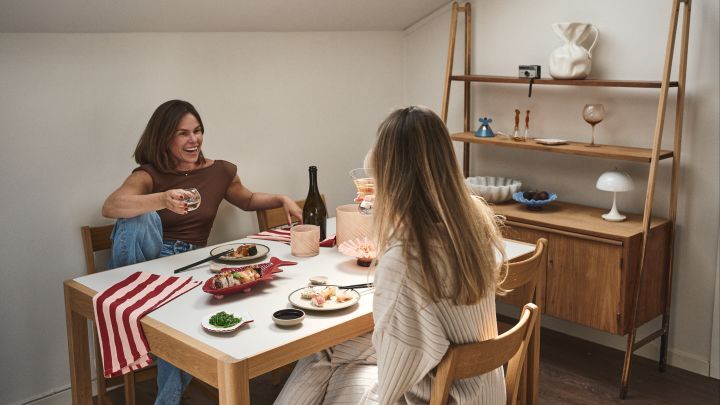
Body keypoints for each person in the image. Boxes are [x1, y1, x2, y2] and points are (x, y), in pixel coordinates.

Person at [274, 106, 508, 405]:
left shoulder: (405, 260)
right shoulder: (472, 223)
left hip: (441, 394)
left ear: (390, 178)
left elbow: (393, 381)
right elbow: (417, 342)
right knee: (325, 353)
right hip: (480, 390)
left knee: (327, 365)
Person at [102, 99, 302, 405]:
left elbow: (247, 200)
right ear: (164, 137)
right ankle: (137, 292)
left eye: (197, 131)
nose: (193, 139)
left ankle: (165, 397)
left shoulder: (219, 171)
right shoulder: (148, 174)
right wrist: (161, 200)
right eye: (183, 133)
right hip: (146, 261)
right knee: (140, 216)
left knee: (172, 320)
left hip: (188, 261)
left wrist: (281, 198)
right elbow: (111, 206)